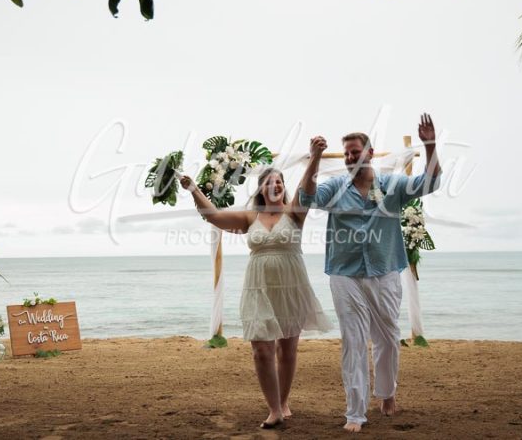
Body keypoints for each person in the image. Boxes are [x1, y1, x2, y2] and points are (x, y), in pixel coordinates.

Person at [298, 114, 442, 433]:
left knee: (389, 338)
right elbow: (306, 197)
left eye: (355, 152)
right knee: (354, 341)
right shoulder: (335, 188)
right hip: (344, 275)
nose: (350, 157)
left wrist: (430, 145)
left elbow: (430, 183)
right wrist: (315, 160)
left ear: (370, 153)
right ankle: (355, 413)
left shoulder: (392, 185)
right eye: (347, 153)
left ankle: (387, 393)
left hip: (385, 271)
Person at [179, 167, 331, 429]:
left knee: (287, 349)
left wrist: (314, 157)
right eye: (269, 182)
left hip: (290, 285)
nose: (275, 185)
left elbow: (307, 187)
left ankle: (283, 403)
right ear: (261, 188)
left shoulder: (295, 212)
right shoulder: (250, 216)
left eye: (280, 182)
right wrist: (194, 189)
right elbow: (213, 216)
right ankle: (274, 410)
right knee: (261, 350)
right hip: (258, 286)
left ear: (285, 186)